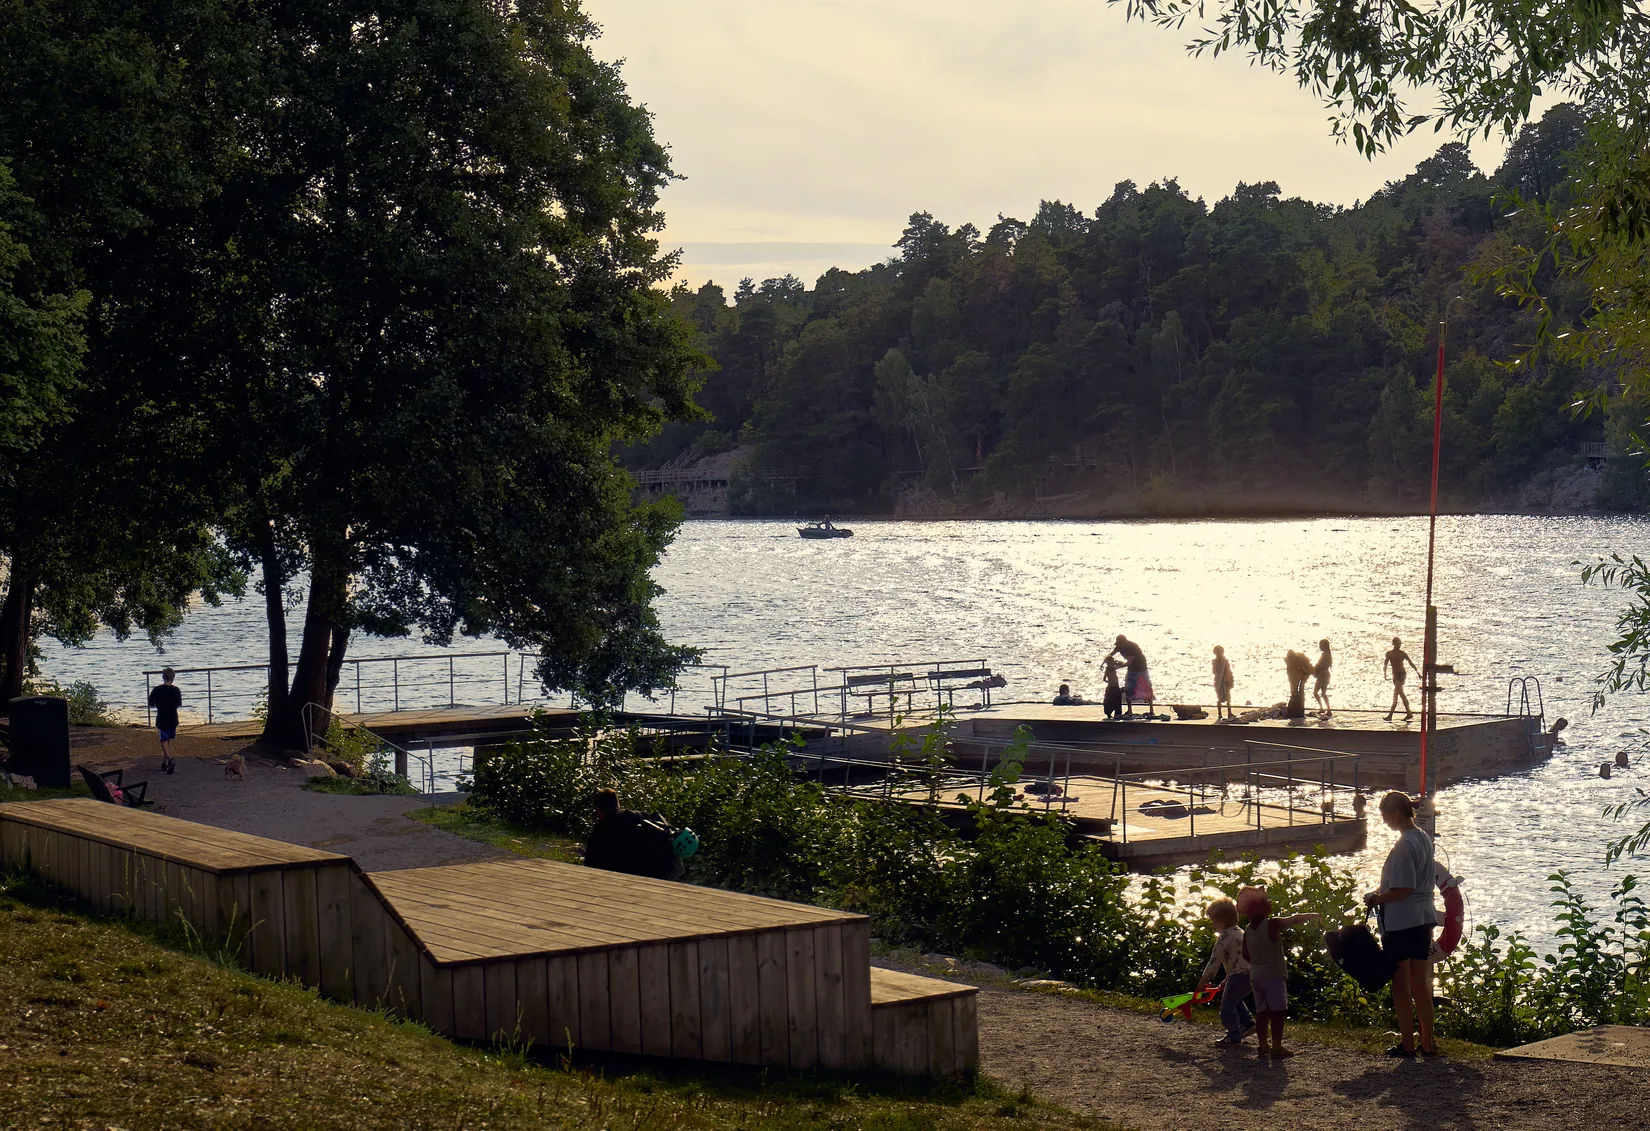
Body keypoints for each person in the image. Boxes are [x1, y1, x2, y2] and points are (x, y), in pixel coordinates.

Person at [1364, 791, 1440, 1057]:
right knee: (1421, 983)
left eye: (1384, 816)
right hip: (1423, 918)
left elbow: (1404, 888)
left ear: (1395, 814)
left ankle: (1408, 1043)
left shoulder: (1403, 845)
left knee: (1400, 983)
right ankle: (1428, 1042)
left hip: (1401, 921)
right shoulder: (1423, 839)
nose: (1384, 821)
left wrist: (1376, 898)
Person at [1238, 885, 1322, 1058]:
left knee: (1261, 1012)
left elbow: (1245, 954)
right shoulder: (1272, 924)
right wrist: (1312, 916)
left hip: (1256, 976)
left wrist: (1257, 964)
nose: (1270, 903)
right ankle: (1277, 1046)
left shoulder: (1247, 930)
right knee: (1277, 1012)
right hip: (1273, 975)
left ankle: (1262, 1046)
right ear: (1263, 907)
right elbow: (1293, 919)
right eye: (1267, 901)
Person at [583, 788, 680, 879]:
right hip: (652, 873)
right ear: (617, 804)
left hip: (620, 879)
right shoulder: (638, 816)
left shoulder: (600, 829)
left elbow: (589, 863)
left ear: (599, 810)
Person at [1197, 897, 1254, 1046]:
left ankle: (1234, 1035)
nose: (1213, 924)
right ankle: (1248, 1023)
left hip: (1239, 976)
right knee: (1235, 999)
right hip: (1251, 975)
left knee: (1226, 1008)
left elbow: (1214, 961)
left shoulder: (1224, 938)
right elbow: (1240, 959)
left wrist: (1203, 982)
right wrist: (1227, 977)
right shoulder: (1241, 933)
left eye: (1213, 921)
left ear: (1221, 920)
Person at [147, 668, 182, 774]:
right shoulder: (176, 690)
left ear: (163, 677)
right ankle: (165, 762)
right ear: (173, 678)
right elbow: (178, 703)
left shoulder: (157, 690)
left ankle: (170, 759)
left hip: (162, 717)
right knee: (169, 740)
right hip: (173, 717)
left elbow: (151, 703)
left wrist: (158, 704)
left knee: (163, 740)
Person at [1108, 636, 1152, 718]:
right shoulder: (1119, 646)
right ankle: (1129, 710)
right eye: (1117, 644)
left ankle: (1151, 710)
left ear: (1124, 642)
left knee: (1147, 688)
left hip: (1141, 668)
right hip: (1131, 668)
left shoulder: (1131, 647)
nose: (1118, 646)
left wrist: (1116, 667)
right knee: (1128, 688)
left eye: (1120, 644)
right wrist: (1107, 661)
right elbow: (1112, 654)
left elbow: (1129, 662)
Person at [1384, 637, 1419, 721]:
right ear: (1394, 644)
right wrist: (1384, 674)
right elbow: (1385, 664)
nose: (1399, 645)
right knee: (1399, 694)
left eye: (1400, 644)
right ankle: (1408, 713)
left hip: (1401, 674)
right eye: (1397, 644)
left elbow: (1410, 662)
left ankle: (1390, 715)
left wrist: (1417, 672)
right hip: (1395, 675)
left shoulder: (1402, 653)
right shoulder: (1389, 653)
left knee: (1397, 694)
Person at [1284, 650, 1313, 719]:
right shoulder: (1292, 661)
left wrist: (1304, 673)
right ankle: (1298, 708)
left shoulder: (1292, 661)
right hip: (1294, 676)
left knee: (1297, 691)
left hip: (1295, 676)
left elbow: (1301, 669)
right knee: (1296, 691)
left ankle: (1298, 707)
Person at [1211, 646, 1235, 719]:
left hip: (1226, 681)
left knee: (1228, 698)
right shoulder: (1215, 662)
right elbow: (1215, 671)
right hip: (1218, 682)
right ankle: (1219, 714)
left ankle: (1229, 713)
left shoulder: (1225, 661)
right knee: (1219, 698)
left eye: (1220, 652)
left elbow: (1228, 670)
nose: (1219, 654)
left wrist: (1229, 679)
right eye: (1218, 652)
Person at [1313, 639, 1333, 716]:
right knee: (1317, 693)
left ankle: (1327, 709)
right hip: (1322, 675)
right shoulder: (1326, 654)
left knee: (1322, 693)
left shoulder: (1326, 655)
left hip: (1323, 675)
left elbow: (1321, 665)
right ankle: (1323, 708)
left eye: (1320, 645)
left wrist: (1315, 669)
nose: (1319, 647)